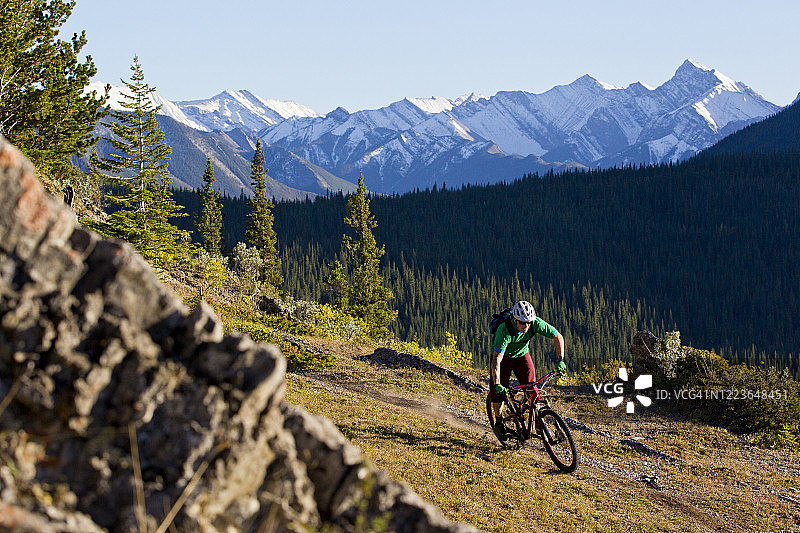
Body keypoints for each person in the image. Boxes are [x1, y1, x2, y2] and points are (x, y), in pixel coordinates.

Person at [490, 300, 566, 440]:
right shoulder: (504, 330)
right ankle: (499, 422)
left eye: (529, 323)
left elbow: (558, 337)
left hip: (522, 356)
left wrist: (560, 360)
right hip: (503, 359)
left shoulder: (535, 323)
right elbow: (496, 360)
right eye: (522, 323)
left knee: (532, 389)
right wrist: (497, 384)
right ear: (515, 319)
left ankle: (538, 420)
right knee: (498, 393)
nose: (526, 326)